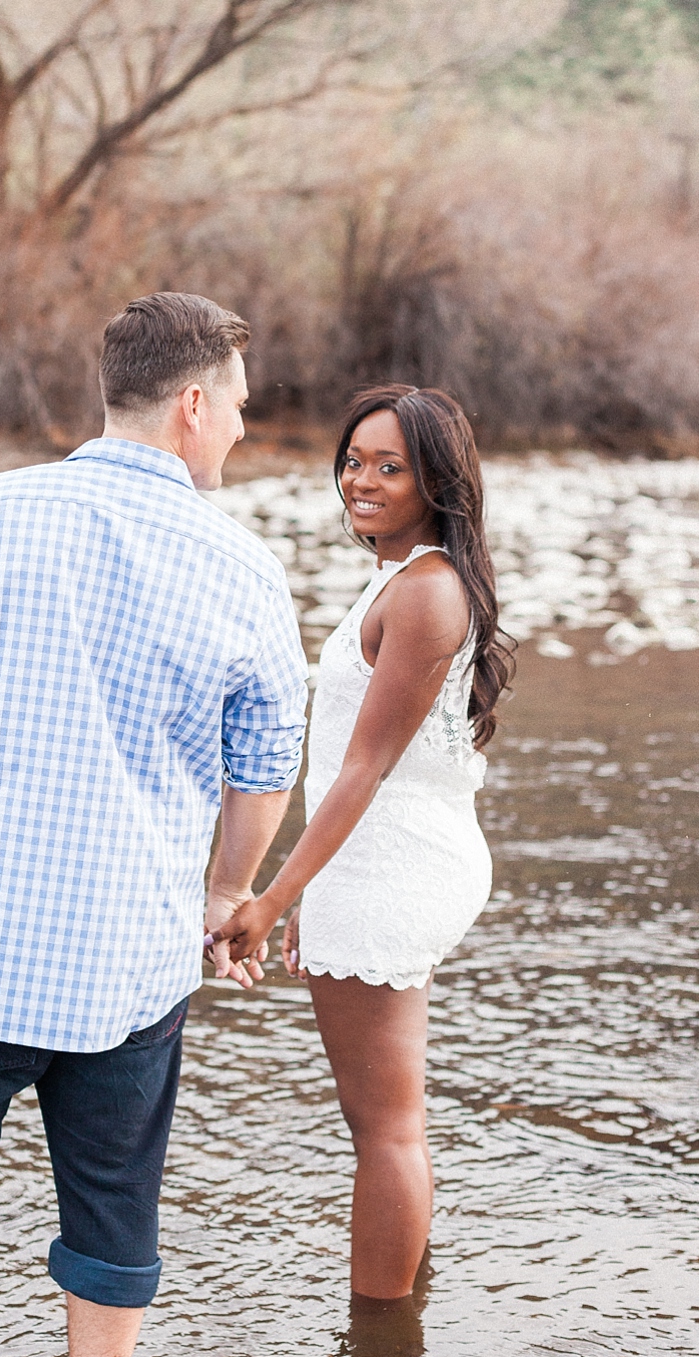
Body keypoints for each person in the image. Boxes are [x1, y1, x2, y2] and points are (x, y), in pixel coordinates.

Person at [0, 291, 308, 1357]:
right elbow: (265, 757)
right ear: (194, 405)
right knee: (114, 1203)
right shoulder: (241, 565)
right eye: (241, 409)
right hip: (131, 955)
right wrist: (223, 892)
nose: (244, 431)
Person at [209, 385, 514, 1301]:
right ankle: (406, 1298)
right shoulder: (407, 574)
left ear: (437, 480)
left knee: (383, 1125)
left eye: (390, 466)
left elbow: (361, 770)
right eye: (353, 460)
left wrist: (268, 898)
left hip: (392, 861)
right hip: (385, 857)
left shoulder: (425, 592)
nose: (362, 481)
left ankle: (379, 1347)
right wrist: (317, 898)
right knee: (388, 1119)